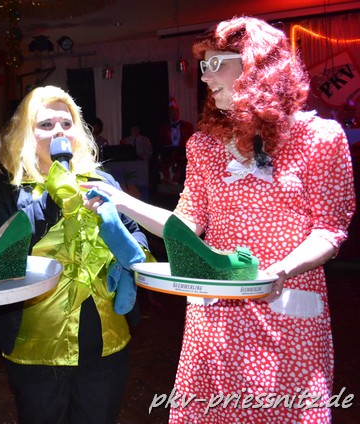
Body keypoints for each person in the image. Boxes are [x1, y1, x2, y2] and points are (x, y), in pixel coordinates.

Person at [83, 17, 356, 423]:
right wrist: (121, 200)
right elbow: (185, 226)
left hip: (286, 310)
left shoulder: (320, 138)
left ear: (256, 65)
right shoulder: (205, 146)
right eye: (203, 66)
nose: (204, 78)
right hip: (216, 316)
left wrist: (278, 271)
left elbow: (328, 231)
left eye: (215, 65)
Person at [0, 85, 151, 424]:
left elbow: (135, 232)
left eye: (66, 123)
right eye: (46, 124)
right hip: (36, 349)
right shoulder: (3, 189)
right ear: (25, 134)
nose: (59, 131)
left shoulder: (101, 180)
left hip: (106, 342)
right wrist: (51, 201)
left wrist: (130, 255)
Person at [158, 97, 194, 185]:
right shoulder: (164, 128)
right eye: (170, 112)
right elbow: (161, 142)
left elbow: (191, 140)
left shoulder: (187, 126)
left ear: (178, 112)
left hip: (183, 155)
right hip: (169, 155)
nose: (173, 114)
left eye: (174, 111)